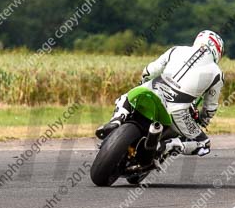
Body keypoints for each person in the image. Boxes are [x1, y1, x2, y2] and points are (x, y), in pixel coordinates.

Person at [95, 30, 225, 156]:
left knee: (126, 98)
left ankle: (116, 121)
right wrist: (203, 121)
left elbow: (149, 71)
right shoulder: (217, 73)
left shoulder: (177, 49)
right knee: (204, 144)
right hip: (177, 111)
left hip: (152, 91)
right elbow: (210, 108)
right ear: (218, 51)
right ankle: (165, 146)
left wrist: (142, 83)